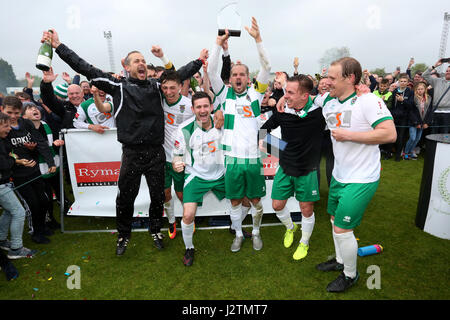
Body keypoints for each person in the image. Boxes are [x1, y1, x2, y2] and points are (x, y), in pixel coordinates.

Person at [40, 29, 205, 255]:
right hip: (131, 153)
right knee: (126, 197)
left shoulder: (157, 86)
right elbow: (84, 67)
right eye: (137, 60)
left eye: (144, 61)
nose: (142, 63)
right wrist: (59, 47)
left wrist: (198, 61)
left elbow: (180, 73)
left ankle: (155, 230)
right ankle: (123, 235)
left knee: (157, 197)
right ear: (127, 66)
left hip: (156, 153)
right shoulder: (117, 86)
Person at [314, 57, 396, 292]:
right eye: (326, 76)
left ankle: (350, 274)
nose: (326, 81)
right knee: (333, 220)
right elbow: (307, 102)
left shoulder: (367, 100)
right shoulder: (328, 100)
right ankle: (340, 261)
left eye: (331, 77)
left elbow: (389, 134)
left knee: (342, 228)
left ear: (350, 78)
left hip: (362, 178)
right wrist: (283, 101)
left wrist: (349, 135)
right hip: (339, 174)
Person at [208, 17, 271, 252]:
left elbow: (267, 67)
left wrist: (258, 40)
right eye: (234, 74)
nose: (237, 78)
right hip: (232, 159)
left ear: (247, 77)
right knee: (234, 201)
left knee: (256, 202)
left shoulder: (256, 94)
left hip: (253, 158)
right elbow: (211, 70)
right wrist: (217, 44)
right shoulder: (224, 95)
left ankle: (255, 232)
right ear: (230, 78)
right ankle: (237, 234)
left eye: (242, 74)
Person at [260, 75, 325, 260]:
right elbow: (263, 131)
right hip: (285, 167)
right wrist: (282, 149)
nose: (285, 95)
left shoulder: (319, 113)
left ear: (305, 96)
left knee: (306, 209)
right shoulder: (283, 111)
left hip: (308, 170)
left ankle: (304, 242)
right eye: (285, 91)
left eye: (290, 92)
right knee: (277, 205)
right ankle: (291, 228)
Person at [172, 92, 225, 266]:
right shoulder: (185, 129)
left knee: (247, 200)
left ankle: (237, 228)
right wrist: (177, 164)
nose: (202, 110)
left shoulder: (222, 123)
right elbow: (177, 157)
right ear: (193, 109)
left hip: (221, 173)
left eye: (205, 106)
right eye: (198, 107)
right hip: (196, 175)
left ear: (211, 107)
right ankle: (189, 248)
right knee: (187, 215)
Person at [1, 96, 56, 244]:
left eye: (16, 113)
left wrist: (50, 161)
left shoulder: (26, 123)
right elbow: (5, 153)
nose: (12, 116)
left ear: (21, 112)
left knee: (44, 200)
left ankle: (42, 227)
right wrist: (18, 161)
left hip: (34, 170)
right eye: (9, 112)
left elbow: (40, 142)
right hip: (17, 175)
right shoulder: (3, 129)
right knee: (32, 204)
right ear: (2, 110)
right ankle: (35, 232)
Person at [160, 70, 195, 239]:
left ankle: (188, 218)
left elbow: (204, 119)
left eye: (172, 88)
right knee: (166, 193)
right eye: (165, 87)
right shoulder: (159, 102)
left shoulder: (189, 105)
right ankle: (171, 221)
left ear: (181, 87)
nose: (168, 92)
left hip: (180, 158)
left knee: (181, 194)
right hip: (162, 157)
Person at [22, 102, 65, 230]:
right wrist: (31, 150)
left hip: (54, 165)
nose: (35, 109)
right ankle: (46, 220)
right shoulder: (25, 131)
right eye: (30, 109)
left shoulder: (46, 125)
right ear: (23, 116)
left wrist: (58, 142)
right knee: (45, 197)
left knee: (57, 192)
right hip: (38, 169)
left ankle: (52, 218)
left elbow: (54, 141)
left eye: (35, 108)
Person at [0, 112, 37, 259]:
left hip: (4, 183)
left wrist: (14, 159)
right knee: (19, 212)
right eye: (5, 126)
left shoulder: (3, 140)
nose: (9, 129)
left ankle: (2, 239)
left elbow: (9, 156)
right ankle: (16, 249)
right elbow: (3, 163)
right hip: (1, 185)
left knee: (10, 211)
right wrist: (14, 161)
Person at [403, 81, 433, 160]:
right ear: (416, 90)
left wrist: (427, 123)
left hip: (423, 122)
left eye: (421, 89)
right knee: (412, 138)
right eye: (418, 89)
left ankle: (411, 151)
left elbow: (429, 111)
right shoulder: (413, 98)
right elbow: (411, 112)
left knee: (417, 139)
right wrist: (416, 122)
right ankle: (405, 152)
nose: (420, 91)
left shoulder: (429, 98)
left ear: (425, 89)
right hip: (414, 122)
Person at [391, 73, 414, 161]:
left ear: (408, 82)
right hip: (394, 116)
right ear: (398, 82)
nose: (403, 83)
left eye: (405, 81)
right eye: (401, 81)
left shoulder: (410, 92)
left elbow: (411, 105)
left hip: (404, 118)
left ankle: (398, 155)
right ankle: (389, 152)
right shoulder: (394, 91)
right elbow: (392, 105)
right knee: (393, 135)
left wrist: (403, 100)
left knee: (401, 137)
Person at [423, 60, 450, 134]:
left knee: (444, 135)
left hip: (448, 113)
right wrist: (435, 65)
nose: (448, 72)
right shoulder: (437, 81)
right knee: (433, 134)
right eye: (447, 71)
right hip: (435, 112)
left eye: (449, 71)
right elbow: (424, 75)